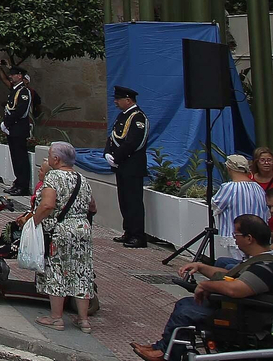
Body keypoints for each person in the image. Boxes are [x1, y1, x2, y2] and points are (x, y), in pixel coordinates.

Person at [132, 214, 273, 361]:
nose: (235, 239)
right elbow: (230, 274)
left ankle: (165, 353)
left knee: (186, 309)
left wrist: (205, 285)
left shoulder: (265, 267)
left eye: (236, 234)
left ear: (249, 238)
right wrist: (200, 267)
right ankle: (162, 347)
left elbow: (235, 289)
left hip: (245, 316)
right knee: (187, 304)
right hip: (239, 309)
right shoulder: (258, 261)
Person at [22, 142, 95, 333]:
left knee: (56, 271)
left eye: (50, 155)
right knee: (81, 271)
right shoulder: (82, 178)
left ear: (56, 159)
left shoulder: (53, 177)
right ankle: (84, 320)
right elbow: (92, 207)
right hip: (82, 229)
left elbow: (47, 205)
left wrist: (33, 222)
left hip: (60, 231)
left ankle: (56, 318)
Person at [108, 85, 149, 248]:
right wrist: (107, 153)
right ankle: (128, 231)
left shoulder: (138, 118)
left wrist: (117, 157)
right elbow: (112, 136)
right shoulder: (122, 116)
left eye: (118, 99)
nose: (115, 102)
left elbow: (134, 142)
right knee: (124, 200)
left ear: (128, 100)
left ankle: (138, 235)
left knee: (133, 201)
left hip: (132, 165)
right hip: (122, 165)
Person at [213, 154, 271, 262]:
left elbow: (216, 206)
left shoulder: (229, 188)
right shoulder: (258, 187)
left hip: (238, 236)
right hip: (257, 239)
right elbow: (266, 213)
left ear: (229, 168)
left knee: (238, 266)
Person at [3, 66, 35, 195]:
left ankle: (23, 185)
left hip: (19, 128)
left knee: (21, 157)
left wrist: (8, 123)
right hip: (12, 128)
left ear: (20, 76)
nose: (11, 76)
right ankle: (18, 182)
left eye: (13, 74)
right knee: (15, 157)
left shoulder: (23, 92)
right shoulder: (14, 90)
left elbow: (21, 111)